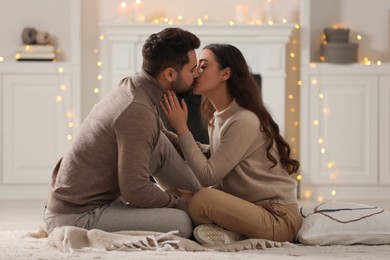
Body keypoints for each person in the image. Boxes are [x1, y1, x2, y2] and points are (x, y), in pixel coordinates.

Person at [44, 28, 203, 238]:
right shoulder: (136, 110)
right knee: (182, 223)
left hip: (93, 198)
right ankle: (197, 208)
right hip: (77, 214)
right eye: (192, 70)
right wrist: (178, 203)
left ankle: (204, 202)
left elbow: (160, 135)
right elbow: (134, 190)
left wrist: (210, 151)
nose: (197, 73)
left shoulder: (136, 87)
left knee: (161, 143)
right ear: (170, 74)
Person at [161, 43, 302, 244]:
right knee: (174, 193)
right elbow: (217, 155)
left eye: (203, 66)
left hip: (277, 218)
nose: (196, 73)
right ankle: (232, 233)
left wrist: (182, 128)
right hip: (248, 206)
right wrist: (164, 134)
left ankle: (231, 232)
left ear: (225, 73)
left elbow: (209, 176)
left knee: (202, 200)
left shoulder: (244, 119)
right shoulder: (217, 116)